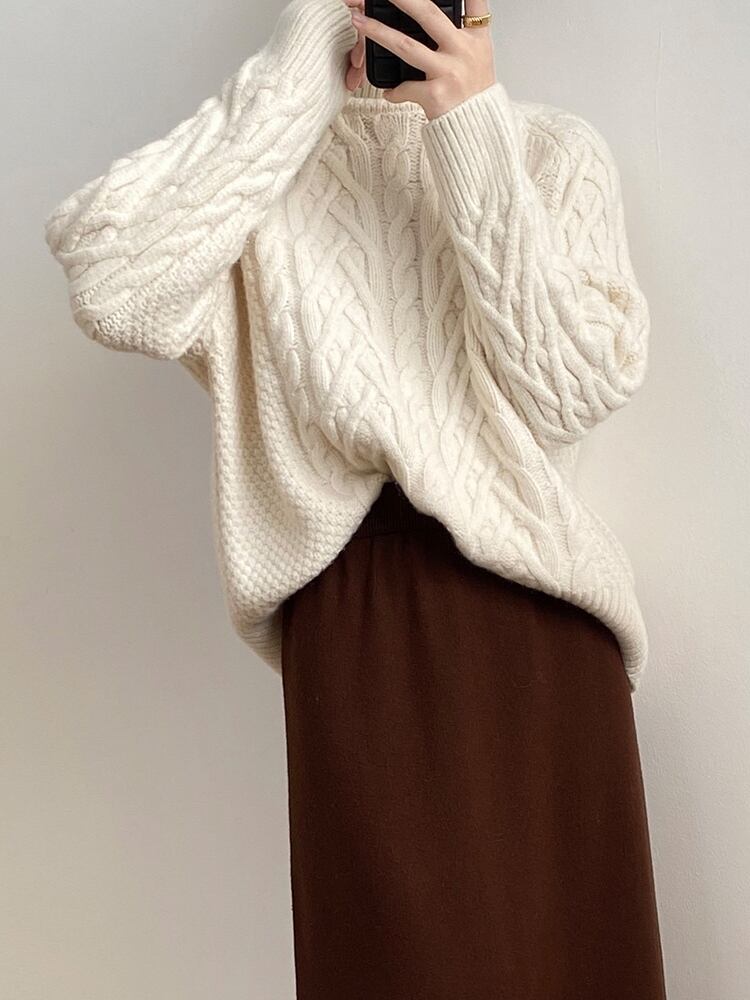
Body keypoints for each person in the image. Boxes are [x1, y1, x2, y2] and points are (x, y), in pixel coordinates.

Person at [44, 0, 667, 994]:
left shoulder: (550, 150)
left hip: (550, 631)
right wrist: (303, 63)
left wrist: (472, 128)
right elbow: (112, 284)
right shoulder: (265, 176)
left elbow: (571, 391)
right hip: (366, 627)